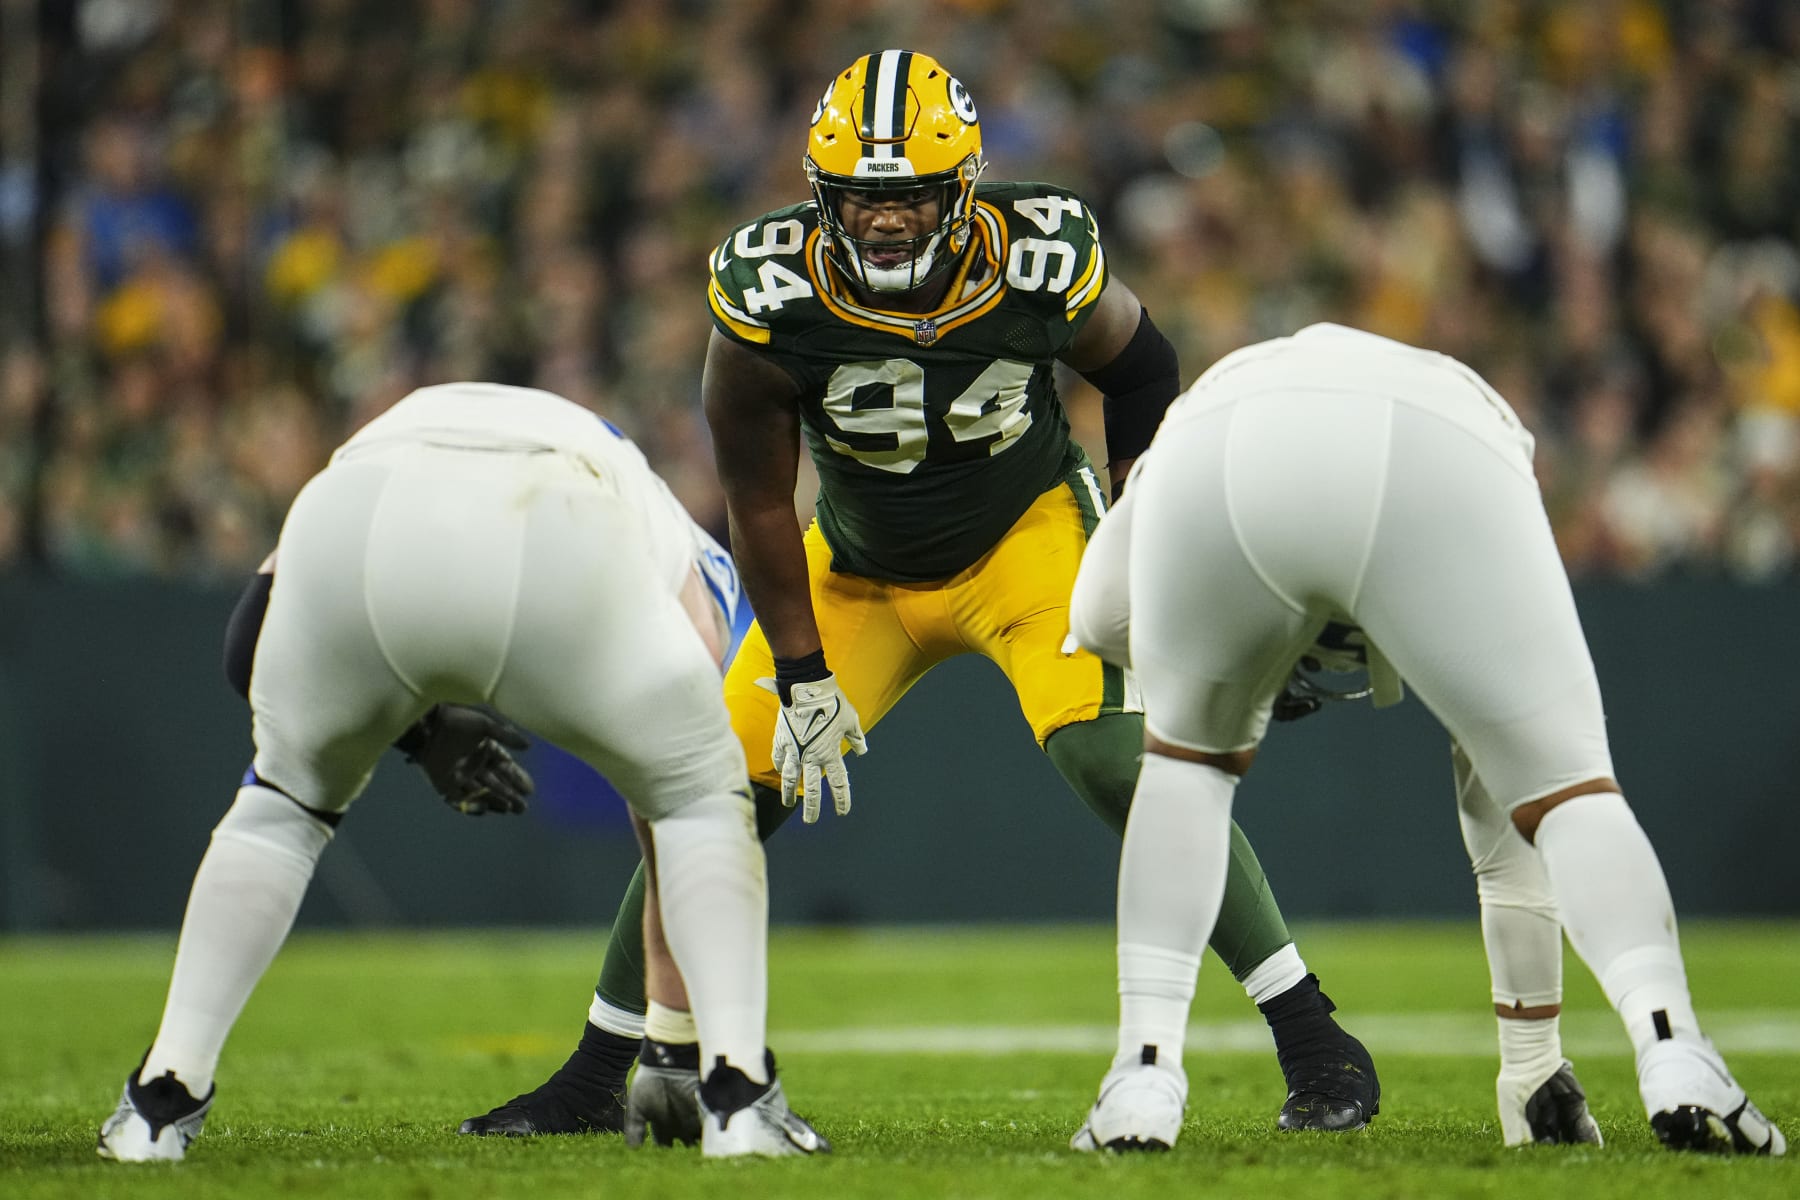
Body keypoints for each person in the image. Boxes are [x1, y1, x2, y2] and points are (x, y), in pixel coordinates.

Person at [462, 49, 1379, 1144]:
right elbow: (757, 499)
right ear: (821, 195)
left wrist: (1145, 534)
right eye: (861, 198)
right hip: (854, 567)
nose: (885, 223)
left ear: (963, 189)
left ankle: (1313, 1034)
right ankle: (601, 1071)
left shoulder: (1035, 254)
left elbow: (1143, 366)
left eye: (906, 198)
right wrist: (800, 673)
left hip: (1026, 541)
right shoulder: (771, 291)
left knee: (1119, 760)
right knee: (707, 787)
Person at [1065, 323, 1786, 1156]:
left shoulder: (1171, 459)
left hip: (1222, 447)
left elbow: (1098, 620)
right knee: (1569, 790)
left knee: (1183, 766)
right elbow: (1502, 804)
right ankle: (1674, 1049)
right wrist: (1531, 1065)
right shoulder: (1470, 424)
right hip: (1437, 442)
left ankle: (1142, 1080)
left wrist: (1240, 670)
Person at [96, 382, 827, 1162]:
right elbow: (669, 807)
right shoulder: (692, 556)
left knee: (280, 804)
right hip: (552, 516)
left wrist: (423, 734)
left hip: (352, 508)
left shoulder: (416, 427)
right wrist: (672, 1039)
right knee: (703, 804)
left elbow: (247, 645)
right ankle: (737, 1097)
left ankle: (159, 1103)